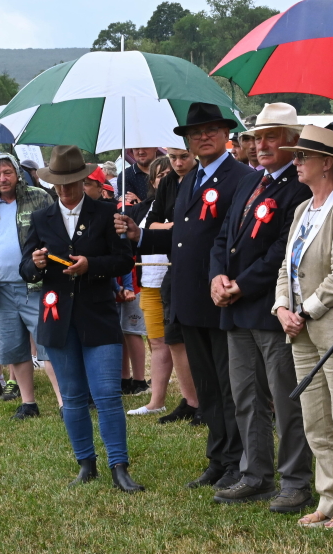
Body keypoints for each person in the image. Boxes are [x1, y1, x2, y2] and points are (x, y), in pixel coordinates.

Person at [115, 102, 249, 490]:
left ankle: (239, 461)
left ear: (226, 136)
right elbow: (180, 235)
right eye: (195, 133)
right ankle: (218, 457)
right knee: (205, 386)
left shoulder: (240, 177)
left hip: (222, 297)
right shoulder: (190, 178)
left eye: (210, 130)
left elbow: (232, 238)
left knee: (229, 386)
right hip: (188, 294)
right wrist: (139, 235)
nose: (202, 137)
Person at [207, 103, 315, 511]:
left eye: (271, 136)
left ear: (292, 141)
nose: (261, 144)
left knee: (284, 397)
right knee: (245, 396)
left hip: (272, 307)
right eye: (257, 137)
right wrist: (217, 278)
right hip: (236, 309)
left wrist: (241, 284)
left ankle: (295, 481)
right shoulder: (252, 183)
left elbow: (282, 251)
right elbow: (223, 238)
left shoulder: (298, 187)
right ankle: (256, 475)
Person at [22, 145, 141, 492]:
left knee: (106, 395)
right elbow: (25, 268)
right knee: (72, 396)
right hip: (57, 319)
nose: (65, 191)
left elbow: (123, 261)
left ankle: (119, 466)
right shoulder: (42, 218)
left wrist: (92, 266)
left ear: (83, 180)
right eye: (58, 184)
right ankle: (85, 463)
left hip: (98, 317)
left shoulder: (106, 214)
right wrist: (37, 264)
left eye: (71, 183)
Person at [272, 125, 333, 529]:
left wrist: (305, 310)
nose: (295, 163)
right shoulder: (301, 209)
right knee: (315, 419)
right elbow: (287, 267)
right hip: (301, 331)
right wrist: (282, 307)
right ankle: (328, 497)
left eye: (302, 157)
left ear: (327, 164)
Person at [0, 154, 56, 419]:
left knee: (49, 346)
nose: (2, 179)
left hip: (36, 286)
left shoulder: (38, 198)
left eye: (7, 173)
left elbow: (55, 235)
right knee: (14, 348)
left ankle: (66, 403)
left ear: (17, 174)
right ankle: (29, 403)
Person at [131, 147, 203, 424]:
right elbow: (150, 224)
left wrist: (168, 227)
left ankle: (205, 401)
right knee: (169, 338)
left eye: (183, 157)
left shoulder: (201, 179)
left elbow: (193, 227)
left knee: (195, 340)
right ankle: (190, 400)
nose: (177, 164)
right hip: (164, 275)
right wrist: (173, 228)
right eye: (173, 158)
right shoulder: (170, 184)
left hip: (193, 270)